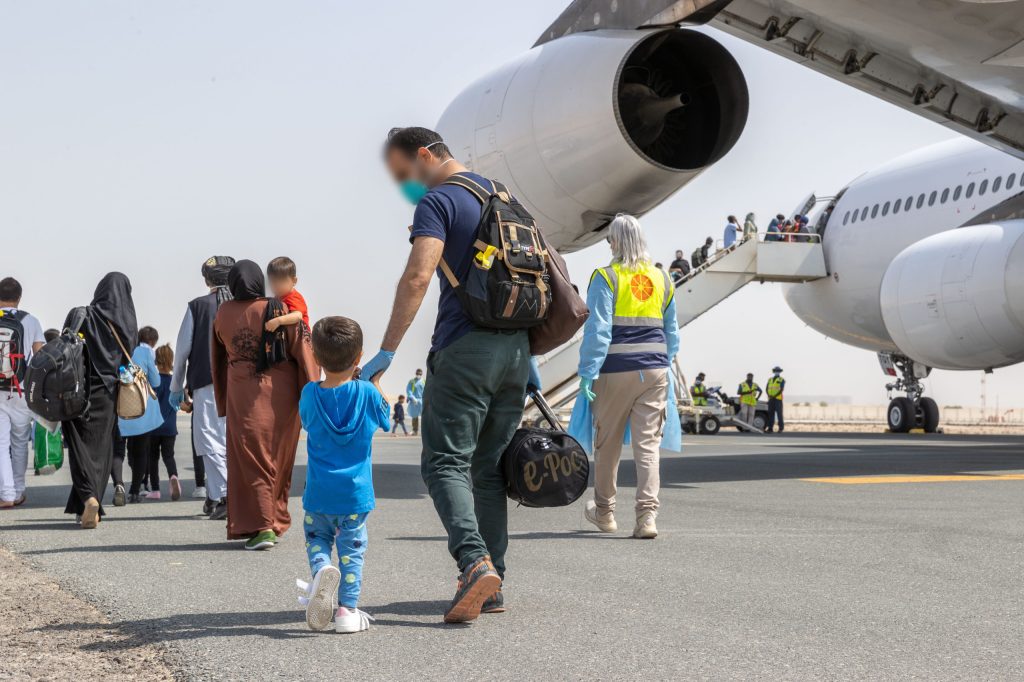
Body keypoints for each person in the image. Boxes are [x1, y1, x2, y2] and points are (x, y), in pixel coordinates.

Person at [363, 125, 534, 623]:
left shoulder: (439, 202)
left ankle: (474, 562)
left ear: (423, 155)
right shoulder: (504, 197)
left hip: (466, 351)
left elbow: (419, 274)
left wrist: (387, 351)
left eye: (404, 175)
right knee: (488, 469)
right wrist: (530, 359)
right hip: (517, 352)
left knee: (443, 464)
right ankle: (493, 582)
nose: (405, 188)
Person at [574, 214, 680, 540]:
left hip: (615, 371)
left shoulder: (606, 277)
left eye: (609, 240)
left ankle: (605, 513)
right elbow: (672, 332)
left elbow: (598, 331)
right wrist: (663, 362)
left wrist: (588, 373)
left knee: (607, 446)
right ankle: (647, 517)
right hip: (655, 370)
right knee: (647, 447)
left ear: (616, 242)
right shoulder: (663, 279)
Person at [212, 260, 319, 549]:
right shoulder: (279, 307)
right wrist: (312, 394)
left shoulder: (223, 312)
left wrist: (221, 399)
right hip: (282, 397)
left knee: (250, 459)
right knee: (278, 460)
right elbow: (303, 349)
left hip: (243, 395)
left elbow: (218, 357)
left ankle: (262, 526)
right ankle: (274, 520)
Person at [297, 316, 389, 633]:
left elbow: (307, 423)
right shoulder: (368, 394)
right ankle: (347, 611)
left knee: (317, 540)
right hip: (355, 496)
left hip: (319, 493)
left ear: (317, 358)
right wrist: (373, 384)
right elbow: (386, 420)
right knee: (352, 552)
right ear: (359, 357)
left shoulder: (309, 394)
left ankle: (322, 569)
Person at [62, 273, 138, 529]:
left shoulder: (81, 314)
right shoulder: (128, 324)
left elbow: (64, 348)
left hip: (77, 391)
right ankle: (86, 503)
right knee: (100, 451)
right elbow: (127, 362)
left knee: (78, 448)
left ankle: (88, 498)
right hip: (108, 393)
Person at [170, 256, 235, 518]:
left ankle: (224, 497)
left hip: (207, 385)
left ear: (207, 280)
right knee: (231, 441)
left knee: (209, 440)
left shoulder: (197, 306)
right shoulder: (245, 305)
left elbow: (182, 350)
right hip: (242, 386)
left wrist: (176, 386)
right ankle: (214, 495)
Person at [0, 277, 46, 509]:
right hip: (22, 389)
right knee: (19, 442)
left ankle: (6, 493)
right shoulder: (31, 321)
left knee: (0, 443)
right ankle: (18, 491)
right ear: (19, 298)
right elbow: (40, 356)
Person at [118, 326, 163, 503]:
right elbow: (156, 381)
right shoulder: (145, 353)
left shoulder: (118, 349)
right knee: (141, 451)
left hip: (122, 409)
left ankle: (119, 486)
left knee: (124, 451)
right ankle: (135, 490)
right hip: (142, 409)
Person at [150, 344, 181, 500]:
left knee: (153, 458)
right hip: (170, 427)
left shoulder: (154, 382)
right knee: (169, 456)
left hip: (154, 427)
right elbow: (182, 404)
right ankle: (173, 476)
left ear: (156, 361)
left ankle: (155, 489)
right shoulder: (175, 383)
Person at [264, 257, 310, 332]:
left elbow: (298, 316)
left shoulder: (294, 297)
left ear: (294, 281)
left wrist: (278, 321)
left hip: (301, 340)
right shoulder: (278, 297)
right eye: (274, 281)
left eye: (282, 281)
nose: (277, 285)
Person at [765, 366, 785, 433]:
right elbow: (766, 388)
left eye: (778, 371)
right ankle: (770, 428)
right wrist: (769, 395)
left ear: (780, 372)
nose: (777, 372)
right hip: (771, 399)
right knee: (770, 414)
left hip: (778, 399)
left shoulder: (782, 380)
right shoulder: (770, 379)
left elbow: (781, 389)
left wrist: (774, 396)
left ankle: (781, 428)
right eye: (776, 370)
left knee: (779, 414)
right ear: (774, 371)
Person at [406, 369, 424, 436]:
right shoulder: (412, 381)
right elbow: (409, 390)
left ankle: (425, 430)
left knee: (424, 416)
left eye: (420, 374)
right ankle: (414, 430)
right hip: (414, 401)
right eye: (417, 373)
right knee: (414, 416)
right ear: (415, 373)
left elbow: (427, 390)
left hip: (422, 400)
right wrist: (412, 398)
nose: (418, 375)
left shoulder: (424, 381)